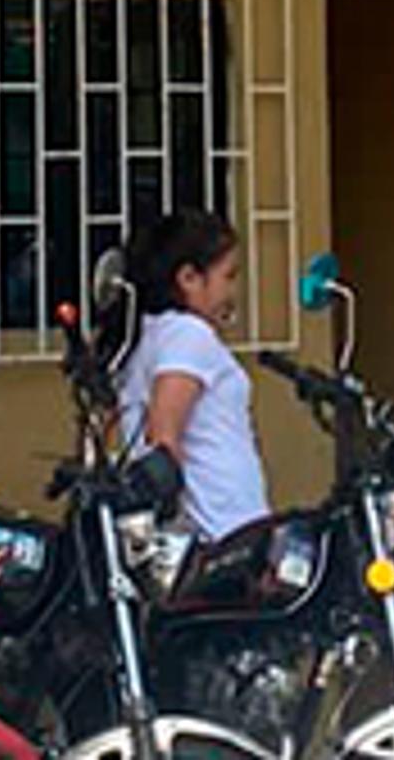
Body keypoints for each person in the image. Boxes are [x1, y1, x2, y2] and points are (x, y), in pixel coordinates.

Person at [115, 208, 270, 543]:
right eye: (228, 276)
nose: (232, 292)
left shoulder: (151, 335)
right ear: (189, 278)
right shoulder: (188, 334)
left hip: (209, 531)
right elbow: (164, 437)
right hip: (221, 530)